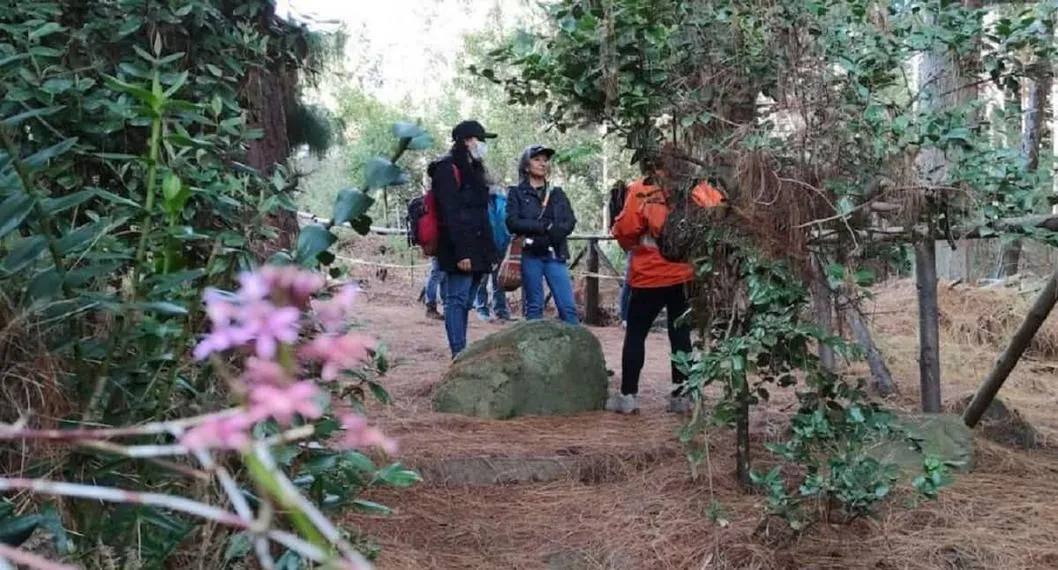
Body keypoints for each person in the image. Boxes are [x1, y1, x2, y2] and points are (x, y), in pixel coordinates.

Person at [606, 156, 723, 414]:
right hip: (685, 275)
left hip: (648, 275)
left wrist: (630, 242)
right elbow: (719, 213)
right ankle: (681, 397)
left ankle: (628, 396)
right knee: (680, 334)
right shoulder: (697, 187)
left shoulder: (642, 188)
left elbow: (625, 230)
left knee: (636, 334)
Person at [429, 120, 499, 358]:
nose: (483, 145)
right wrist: (462, 253)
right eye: (480, 140)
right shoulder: (446, 169)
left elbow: (480, 215)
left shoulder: (475, 170)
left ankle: (462, 349)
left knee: (466, 302)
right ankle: (458, 353)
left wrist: (489, 252)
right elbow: (450, 213)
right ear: (467, 140)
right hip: (459, 249)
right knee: (456, 300)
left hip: (478, 248)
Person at [505, 144, 579, 324]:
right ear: (526, 165)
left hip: (555, 253)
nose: (542, 164)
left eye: (545, 160)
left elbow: (569, 221)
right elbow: (512, 222)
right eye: (537, 160)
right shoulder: (516, 192)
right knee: (534, 306)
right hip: (530, 254)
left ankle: (575, 350)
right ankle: (533, 349)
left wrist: (552, 234)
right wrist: (542, 227)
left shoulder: (557, 193)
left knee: (567, 306)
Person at [473, 175, 513, 321]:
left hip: (502, 244)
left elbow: (508, 221)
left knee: (500, 279)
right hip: (482, 246)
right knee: (482, 280)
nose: (491, 187)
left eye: (492, 184)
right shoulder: (478, 203)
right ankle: (482, 309)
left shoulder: (503, 201)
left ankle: (501, 310)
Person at [423, 256, 446, 320]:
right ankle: (431, 307)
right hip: (441, 252)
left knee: (444, 277)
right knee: (437, 276)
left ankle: (447, 309)